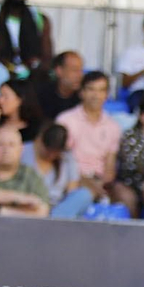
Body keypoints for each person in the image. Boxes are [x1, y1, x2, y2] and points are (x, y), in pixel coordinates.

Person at [56, 71, 128, 212]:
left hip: (101, 181)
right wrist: (87, 182)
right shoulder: (65, 120)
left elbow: (110, 164)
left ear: (106, 95)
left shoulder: (113, 126)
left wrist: (102, 183)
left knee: (126, 197)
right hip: (72, 177)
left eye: (101, 90)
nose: (96, 96)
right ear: (81, 92)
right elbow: (62, 159)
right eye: (91, 89)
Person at [26, 122, 94, 219]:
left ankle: (54, 221)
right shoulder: (23, 151)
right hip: (30, 205)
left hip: (58, 209)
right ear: (40, 140)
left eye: (55, 152)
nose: (51, 155)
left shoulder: (68, 158)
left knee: (84, 195)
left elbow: (72, 192)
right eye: (48, 150)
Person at [36, 50, 84, 119]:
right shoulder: (42, 95)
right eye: (74, 70)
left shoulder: (82, 97)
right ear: (59, 71)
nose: (80, 75)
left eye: (81, 70)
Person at [0, 77, 42, 143]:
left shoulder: (36, 129)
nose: (0, 101)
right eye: (0, 95)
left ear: (20, 99)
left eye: (5, 97)